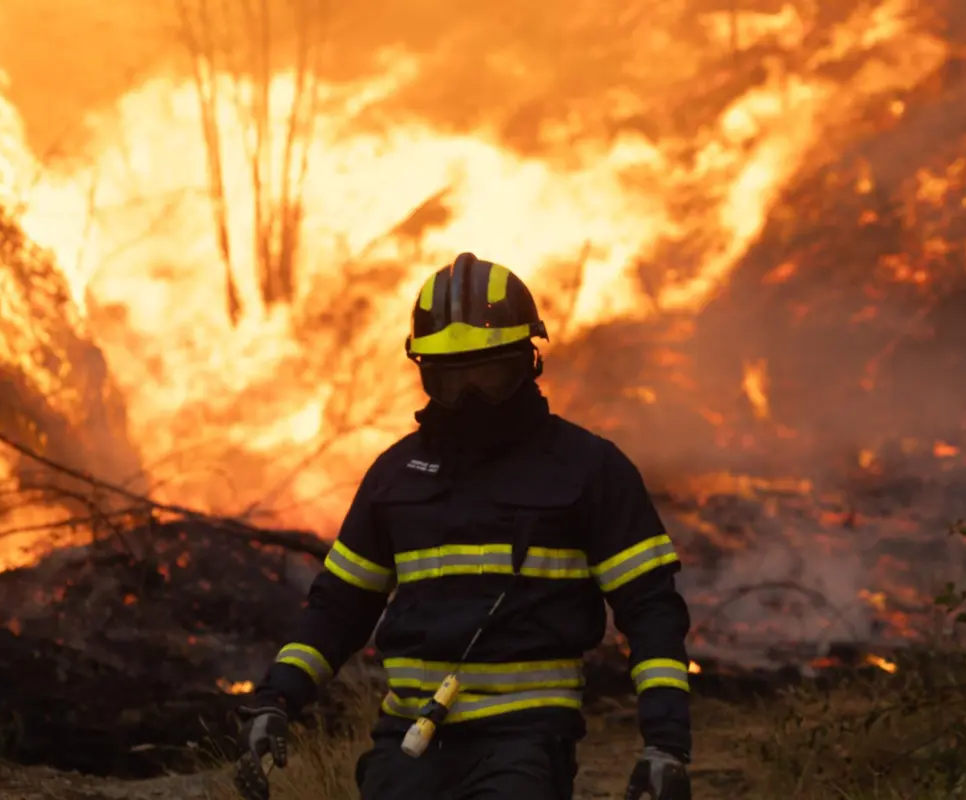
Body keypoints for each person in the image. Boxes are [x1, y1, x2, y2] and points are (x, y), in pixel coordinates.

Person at [235, 253, 693, 800]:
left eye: (489, 375)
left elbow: (651, 610)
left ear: (528, 362)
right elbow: (338, 608)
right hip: (407, 742)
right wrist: (276, 699)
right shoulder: (396, 476)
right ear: (425, 374)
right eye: (452, 381)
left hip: (524, 744)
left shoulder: (588, 470)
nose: (471, 397)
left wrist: (665, 743)